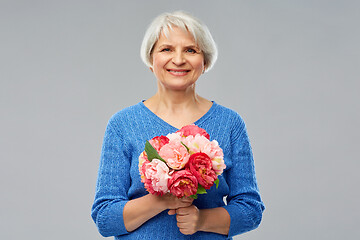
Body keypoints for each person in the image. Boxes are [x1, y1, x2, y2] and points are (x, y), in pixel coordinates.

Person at [91, 11, 265, 240]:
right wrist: (164, 199)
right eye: (166, 49)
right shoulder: (122, 124)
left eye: (190, 50)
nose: (179, 59)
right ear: (151, 59)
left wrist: (202, 220)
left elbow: (250, 210)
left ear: (205, 62)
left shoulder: (230, 123)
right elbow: (105, 219)